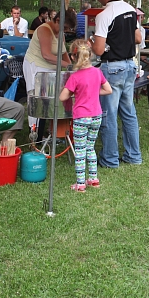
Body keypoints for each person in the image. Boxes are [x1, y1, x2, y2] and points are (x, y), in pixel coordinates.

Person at [90, 0, 143, 167]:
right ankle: (134, 155)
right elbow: (138, 38)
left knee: (109, 114)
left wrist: (91, 42)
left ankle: (110, 158)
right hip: (130, 65)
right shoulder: (130, 9)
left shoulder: (104, 15)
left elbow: (98, 50)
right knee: (129, 112)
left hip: (112, 69)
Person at [60, 39, 112, 191]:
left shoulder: (75, 77)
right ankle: (93, 179)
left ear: (73, 57)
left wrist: (76, 93)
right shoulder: (97, 72)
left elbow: (62, 97)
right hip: (96, 115)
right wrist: (93, 92)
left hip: (81, 117)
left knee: (80, 150)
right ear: (90, 55)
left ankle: (80, 183)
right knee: (90, 148)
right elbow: (108, 90)